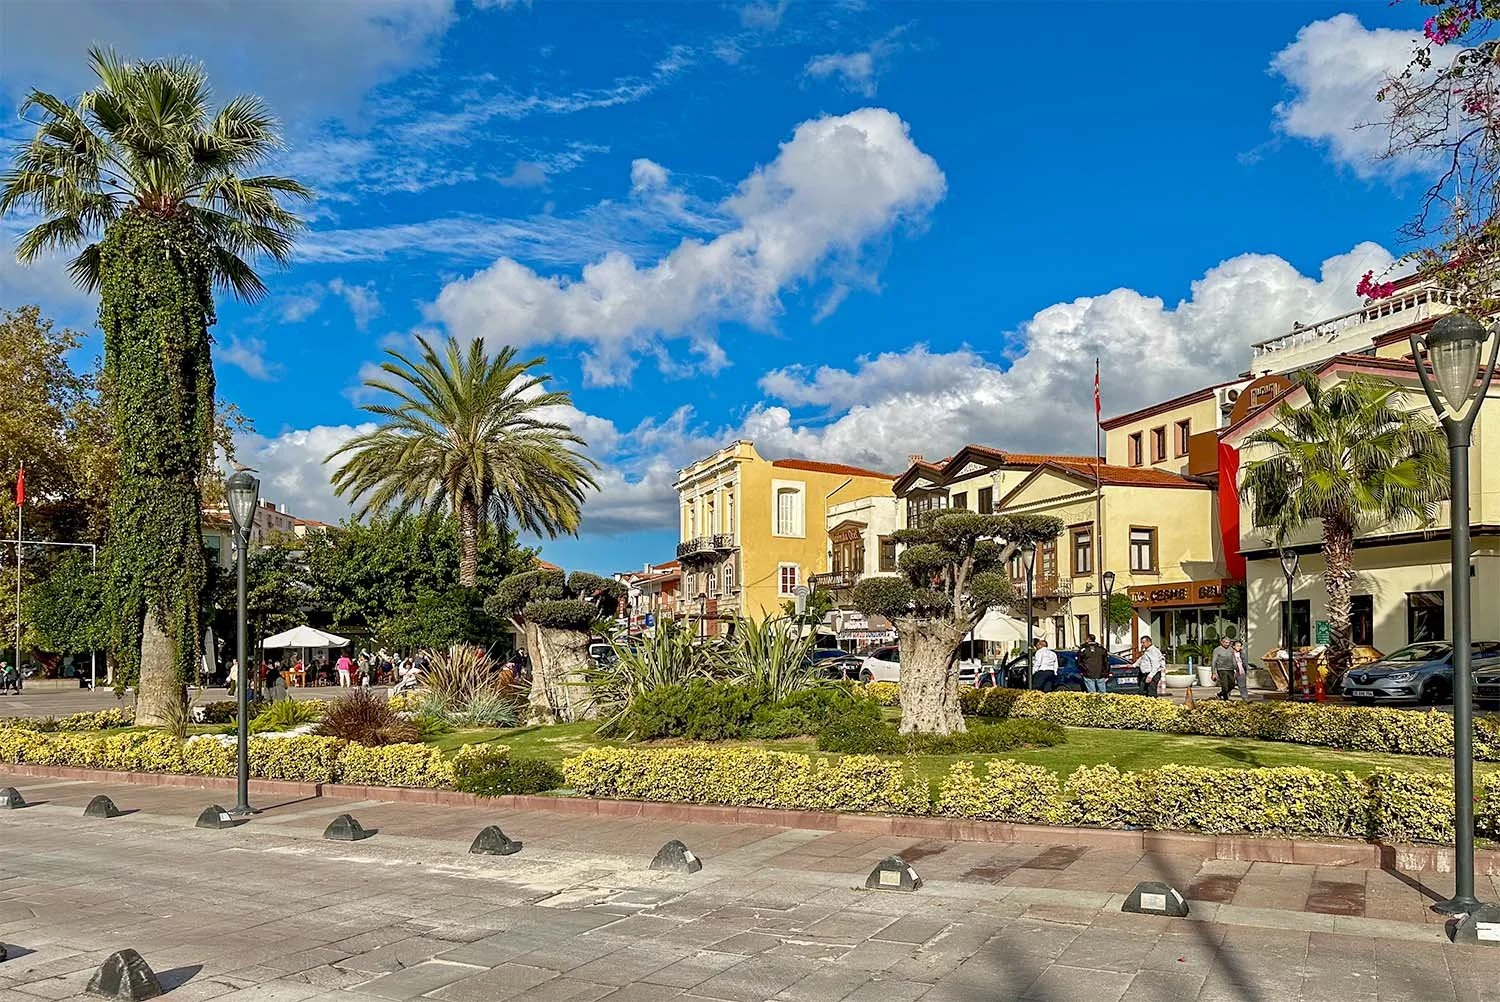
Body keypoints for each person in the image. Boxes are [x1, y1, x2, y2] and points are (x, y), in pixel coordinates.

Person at [1212, 636, 1237, 700]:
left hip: (1230, 669)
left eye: (1228, 643)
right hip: (1221, 669)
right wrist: (1213, 673)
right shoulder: (1217, 650)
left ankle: (1219, 694)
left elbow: (1233, 659)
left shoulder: (1231, 649)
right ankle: (1226, 700)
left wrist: (1237, 669)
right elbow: (1214, 661)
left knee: (1232, 684)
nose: (1227, 644)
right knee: (1225, 686)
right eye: (1226, 643)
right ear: (1221, 642)